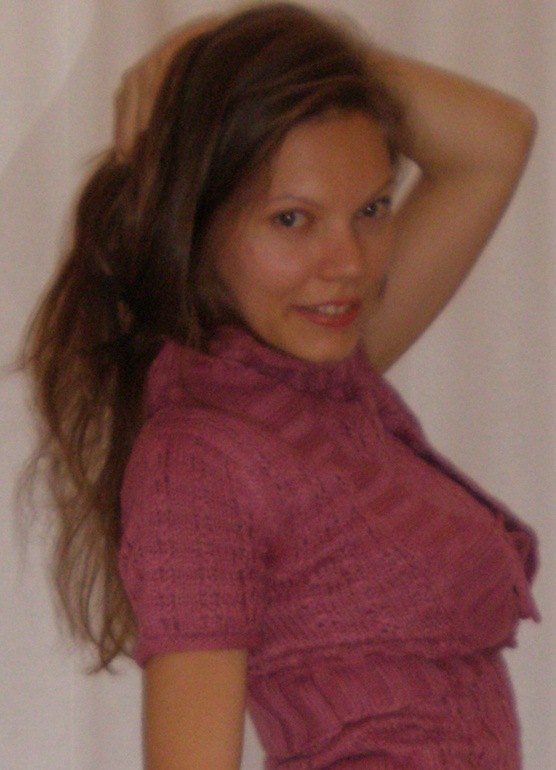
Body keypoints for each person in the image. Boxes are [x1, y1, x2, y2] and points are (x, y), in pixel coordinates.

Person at [24, 3, 539, 768]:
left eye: (372, 209)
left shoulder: (325, 379)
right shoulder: (197, 461)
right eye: (293, 220)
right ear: (196, 225)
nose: (349, 263)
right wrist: (228, 67)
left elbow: (496, 141)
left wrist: (240, 50)